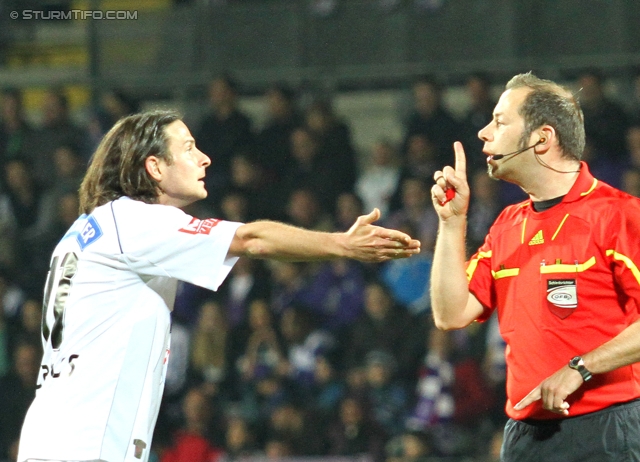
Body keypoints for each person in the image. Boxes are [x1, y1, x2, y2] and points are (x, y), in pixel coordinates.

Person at [17, 110, 420, 462]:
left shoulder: (86, 229)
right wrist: (342, 244)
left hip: (60, 435)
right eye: (189, 147)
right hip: (87, 445)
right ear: (155, 167)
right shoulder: (132, 221)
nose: (204, 157)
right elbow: (251, 239)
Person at [430, 72, 640, 461]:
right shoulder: (507, 224)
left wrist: (581, 368)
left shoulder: (619, 215)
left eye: (500, 121)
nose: (483, 132)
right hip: (525, 437)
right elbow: (450, 313)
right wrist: (451, 223)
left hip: (607, 430)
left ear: (542, 138)